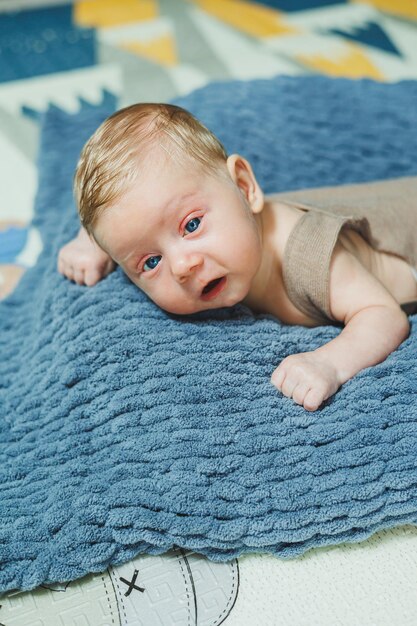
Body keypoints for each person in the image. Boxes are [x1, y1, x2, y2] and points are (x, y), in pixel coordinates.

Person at [57, 103, 417, 412]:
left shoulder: (309, 256)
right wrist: (92, 241)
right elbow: (133, 220)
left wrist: (330, 364)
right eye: (151, 262)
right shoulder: (213, 229)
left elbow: (384, 316)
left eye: (192, 225)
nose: (183, 266)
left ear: (245, 188)